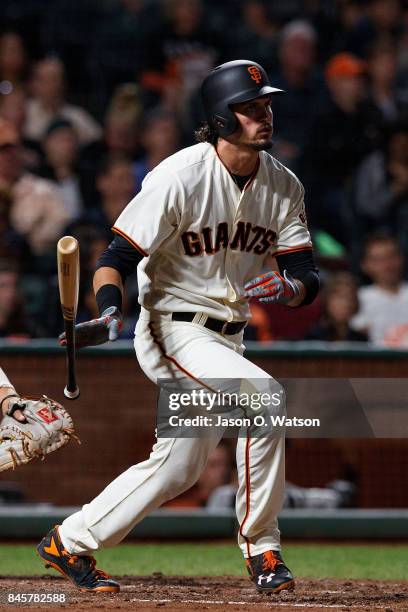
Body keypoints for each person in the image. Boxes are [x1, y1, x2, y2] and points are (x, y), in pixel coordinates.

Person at [36, 60, 319, 595]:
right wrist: (111, 310)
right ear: (220, 118)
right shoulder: (178, 175)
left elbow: (305, 272)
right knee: (266, 399)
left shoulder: (283, 184)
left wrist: (290, 289)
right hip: (171, 329)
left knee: (179, 469)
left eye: (267, 105)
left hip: (226, 337)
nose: (266, 115)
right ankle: (263, 548)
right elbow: (116, 256)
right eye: (252, 108)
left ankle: (68, 540)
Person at [351, 234, 408, 345]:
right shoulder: (358, 299)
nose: (387, 265)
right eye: (378, 260)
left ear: (401, 259)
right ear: (365, 265)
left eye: (391, 257)